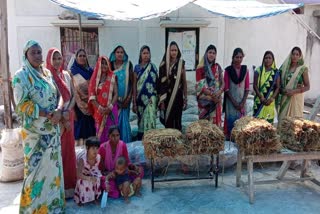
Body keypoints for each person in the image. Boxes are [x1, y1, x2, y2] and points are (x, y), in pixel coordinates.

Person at [12, 40, 65, 213]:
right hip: (35, 135)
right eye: (33, 52)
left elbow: (59, 95)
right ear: (26, 54)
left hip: (52, 131)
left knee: (52, 171)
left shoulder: (47, 73)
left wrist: (58, 110)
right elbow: (21, 105)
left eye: (39, 52)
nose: (37, 56)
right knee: (35, 173)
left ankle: (52, 207)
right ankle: (33, 210)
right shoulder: (21, 76)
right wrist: (45, 113)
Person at [46, 48, 77, 198]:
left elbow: (73, 97)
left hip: (68, 116)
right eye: (54, 58)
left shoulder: (66, 75)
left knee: (69, 152)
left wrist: (67, 113)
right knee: (57, 154)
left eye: (59, 58)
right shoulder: (47, 77)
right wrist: (63, 118)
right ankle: (58, 189)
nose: (57, 61)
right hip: (57, 121)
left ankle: (70, 187)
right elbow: (50, 101)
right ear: (49, 60)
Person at [98, 126, 143, 199]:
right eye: (113, 135)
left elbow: (126, 161)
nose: (115, 138)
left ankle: (126, 188)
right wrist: (108, 173)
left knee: (140, 170)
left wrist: (133, 167)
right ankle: (126, 188)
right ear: (108, 136)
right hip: (110, 175)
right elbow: (100, 168)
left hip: (122, 172)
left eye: (117, 135)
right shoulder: (103, 148)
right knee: (112, 190)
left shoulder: (122, 145)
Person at [158, 41, 188, 130]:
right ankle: (169, 141)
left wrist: (185, 98)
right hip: (166, 98)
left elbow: (184, 82)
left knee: (178, 120)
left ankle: (178, 141)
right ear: (168, 51)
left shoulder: (181, 64)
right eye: (172, 50)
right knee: (168, 121)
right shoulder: (163, 65)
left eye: (175, 50)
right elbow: (160, 84)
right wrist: (162, 101)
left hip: (178, 96)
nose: (174, 52)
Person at [88, 56, 118, 143]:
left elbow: (116, 93)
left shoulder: (112, 77)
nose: (104, 65)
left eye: (106, 63)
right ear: (98, 64)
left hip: (111, 110)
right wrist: (101, 108)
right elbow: (92, 97)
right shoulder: (94, 79)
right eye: (102, 63)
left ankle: (114, 154)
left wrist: (110, 107)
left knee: (112, 132)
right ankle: (102, 154)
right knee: (101, 134)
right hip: (99, 111)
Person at [277, 46, 310, 124]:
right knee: (283, 121)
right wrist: (282, 90)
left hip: (296, 99)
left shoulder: (302, 69)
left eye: (297, 54)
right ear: (290, 55)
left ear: (300, 56)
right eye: (293, 54)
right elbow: (279, 83)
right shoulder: (284, 68)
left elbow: (307, 86)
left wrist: (294, 91)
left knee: (294, 123)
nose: (295, 56)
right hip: (285, 97)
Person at [133, 45, 158, 140]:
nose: (146, 55)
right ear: (140, 55)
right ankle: (141, 142)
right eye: (144, 53)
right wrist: (134, 102)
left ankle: (151, 141)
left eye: (147, 53)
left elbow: (156, 84)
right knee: (141, 121)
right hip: (140, 99)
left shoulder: (153, 67)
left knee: (151, 117)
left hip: (151, 98)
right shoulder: (137, 68)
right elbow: (134, 86)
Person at [71, 49, 96, 146]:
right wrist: (73, 110)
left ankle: (91, 153)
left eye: (84, 56)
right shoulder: (72, 72)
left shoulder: (91, 71)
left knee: (91, 130)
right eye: (80, 56)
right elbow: (72, 93)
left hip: (91, 105)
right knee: (80, 131)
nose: (82, 58)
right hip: (79, 107)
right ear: (76, 58)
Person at [224, 48, 250, 139]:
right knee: (231, 122)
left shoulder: (245, 70)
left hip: (242, 101)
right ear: (233, 58)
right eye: (236, 57)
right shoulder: (228, 71)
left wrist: (243, 102)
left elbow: (247, 88)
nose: (238, 59)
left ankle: (240, 139)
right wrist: (234, 102)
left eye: (240, 57)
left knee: (241, 123)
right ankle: (231, 139)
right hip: (231, 102)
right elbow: (226, 89)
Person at [109, 46, 134, 143]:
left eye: (122, 52)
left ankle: (125, 144)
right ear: (114, 54)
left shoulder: (128, 65)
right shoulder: (110, 65)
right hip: (114, 100)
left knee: (125, 123)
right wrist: (116, 100)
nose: (120, 54)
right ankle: (114, 145)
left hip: (126, 102)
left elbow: (132, 83)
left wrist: (128, 98)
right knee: (114, 123)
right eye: (118, 52)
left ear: (124, 54)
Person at [196, 44, 224, 126]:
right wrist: (212, 95)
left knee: (215, 126)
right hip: (205, 101)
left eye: (214, 53)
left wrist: (219, 92)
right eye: (210, 52)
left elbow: (223, 82)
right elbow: (200, 86)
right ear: (206, 53)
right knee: (205, 127)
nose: (212, 54)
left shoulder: (218, 67)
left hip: (217, 99)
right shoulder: (200, 68)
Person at [74, 137, 106, 205]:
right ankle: (80, 199)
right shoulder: (82, 159)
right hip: (83, 171)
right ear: (87, 148)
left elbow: (101, 169)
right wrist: (89, 178)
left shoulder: (98, 157)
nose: (95, 151)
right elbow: (78, 174)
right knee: (82, 182)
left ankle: (95, 197)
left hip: (93, 170)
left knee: (97, 179)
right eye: (93, 148)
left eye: (97, 148)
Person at [253, 51, 280, 124]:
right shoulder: (258, 70)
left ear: (273, 60)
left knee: (268, 126)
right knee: (256, 124)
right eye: (266, 58)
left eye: (269, 58)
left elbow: (277, 87)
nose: (267, 60)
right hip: (259, 101)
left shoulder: (276, 72)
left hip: (269, 102)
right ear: (263, 59)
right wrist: (261, 97)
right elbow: (255, 85)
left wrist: (271, 99)